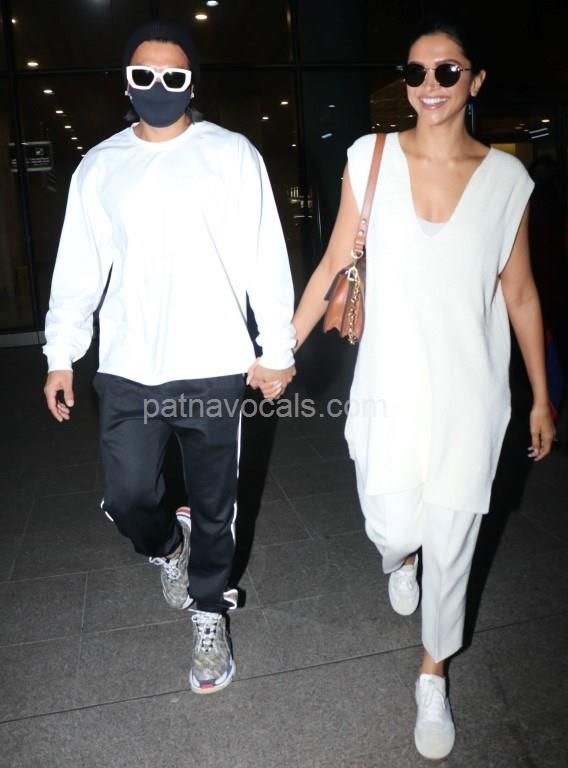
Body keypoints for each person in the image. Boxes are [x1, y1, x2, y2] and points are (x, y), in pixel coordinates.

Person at [286, 18, 556, 761]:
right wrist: (281, 351)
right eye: (415, 72)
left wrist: (540, 396)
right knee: (392, 525)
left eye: (447, 71)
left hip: (473, 395)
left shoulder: (508, 182)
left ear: (476, 81)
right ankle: (400, 557)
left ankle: (433, 672)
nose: (429, 85)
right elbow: (333, 263)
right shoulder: (370, 156)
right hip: (389, 388)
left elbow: (521, 292)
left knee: (454, 538)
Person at [43, 20, 296, 695]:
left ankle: (210, 611)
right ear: (125, 83)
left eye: (174, 75)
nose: (159, 86)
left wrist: (275, 348)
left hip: (213, 361)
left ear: (193, 83)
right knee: (128, 497)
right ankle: (165, 545)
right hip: (129, 365)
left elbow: (264, 255)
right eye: (144, 74)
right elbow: (78, 268)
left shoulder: (231, 154)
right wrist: (61, 355)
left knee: (216, 503)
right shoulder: (101, 165)